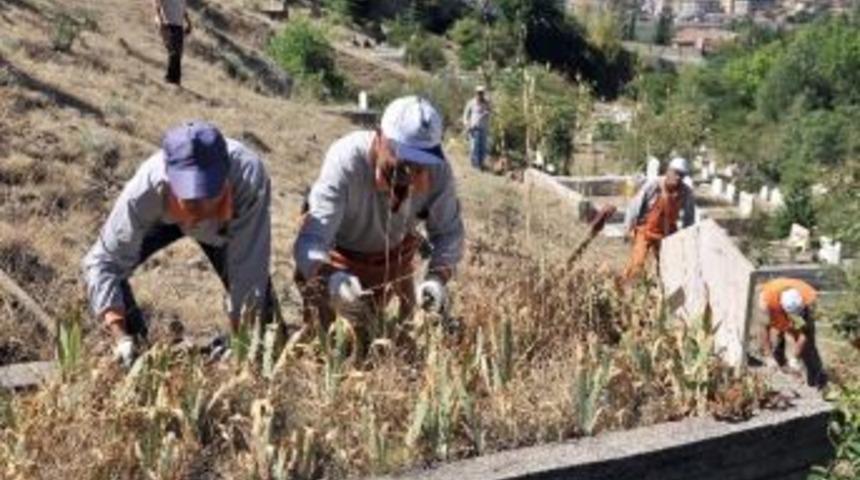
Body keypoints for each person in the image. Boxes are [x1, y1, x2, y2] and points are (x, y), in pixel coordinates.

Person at [82, 121, 272, 367]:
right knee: (107, 301)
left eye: (208, 195)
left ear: (225, 176)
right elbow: (104, 262)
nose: (199, 210)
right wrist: (120, 337)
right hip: (163, 215)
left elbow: (248, 275)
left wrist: (242, 345)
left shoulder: (248, 178)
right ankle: (135, 353)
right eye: (190, 200)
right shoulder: (145, 190)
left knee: (266, 340)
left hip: (225, 225)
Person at [293, 96, 464, 343]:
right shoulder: (347, 160)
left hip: (392, 258)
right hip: (339, 258)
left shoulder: (438, 170)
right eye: (404, 157)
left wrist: (437, 279)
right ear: (379, 136)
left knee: (382, 341)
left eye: (421, 161)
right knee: (328, 342)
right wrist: (332, 280)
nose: (411, 171)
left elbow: (448, 233)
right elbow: (312, 241)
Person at [622, 156, 696, 281]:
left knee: (669, 267)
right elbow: (634, 206)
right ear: (668, 171)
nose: (678, 178)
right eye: (676, 173)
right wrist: (627, 228)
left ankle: (662, 293)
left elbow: (689, 217)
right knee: (637, 263)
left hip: (667, 233)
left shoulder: (686, 192)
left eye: (682, 175)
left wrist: (686, 238)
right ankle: (627, 287)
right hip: (646, 230)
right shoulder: (654, 185)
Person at [758, 277, 826, 386]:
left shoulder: (807, 297)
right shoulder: (768, 300)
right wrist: (768, 356)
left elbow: (805, 332)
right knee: (776, 336)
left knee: (808, 346)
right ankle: (780, 363)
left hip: (796, 309)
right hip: (775, 303)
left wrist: (795, 357)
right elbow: (763, 328)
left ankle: (815, 377)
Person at [152, 0, 192, 85]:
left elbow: (184, 9)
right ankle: (169, 78)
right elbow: (156, 3)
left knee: (178, 52)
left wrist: (189, 22)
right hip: (167, 23)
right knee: (173, 51)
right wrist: (159, 18)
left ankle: (176, 79)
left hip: (178, 25)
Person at [462, 85, 492, 171]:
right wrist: (467, 124)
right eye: (479, 93)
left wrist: (487, 113)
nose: (480, 95)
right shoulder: (471, 102)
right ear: (476, 93)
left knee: (483, 147)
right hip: (474, 128)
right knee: (474, 146)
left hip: (484, 128)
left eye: (482, 93)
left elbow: (490, 112)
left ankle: (481, 164)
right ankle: (475, 165)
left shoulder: (486, 103)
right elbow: (465, 115)